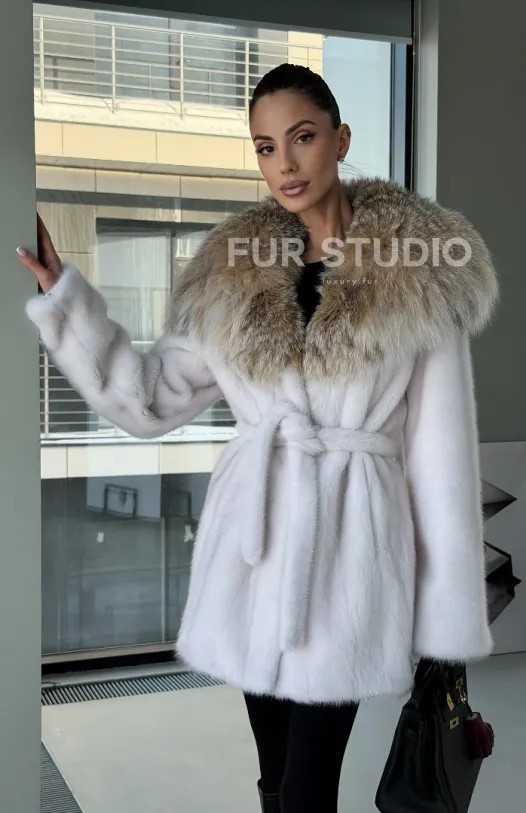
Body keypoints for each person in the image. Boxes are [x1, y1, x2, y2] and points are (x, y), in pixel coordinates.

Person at [19, 64, 498, 813]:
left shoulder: (418, 272)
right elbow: (150, 398)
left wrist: (444, 618)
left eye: (302, 137)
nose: (285, 164)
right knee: (275, 780)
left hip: (351, 560)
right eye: (266, 147)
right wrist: (65, 299)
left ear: (340, 139)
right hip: (255, 553)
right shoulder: (232, 272)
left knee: (308, 789)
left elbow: (442, 459)